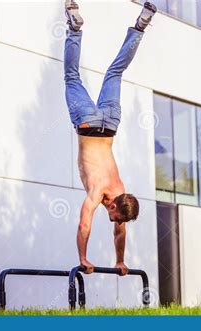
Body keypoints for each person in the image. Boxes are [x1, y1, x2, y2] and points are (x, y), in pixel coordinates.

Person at [64, 0, 156, 275]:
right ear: (115, 205)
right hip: (88, 124)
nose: (113, 220)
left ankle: (141, 25)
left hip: (111, 123)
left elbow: (119, 233)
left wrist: (119, 260)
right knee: (71, 78)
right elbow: (84, 224)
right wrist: (83, 258)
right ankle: (74, 29)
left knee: (115, 71)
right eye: (114, 216)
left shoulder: (122, 191)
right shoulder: (102, 191)